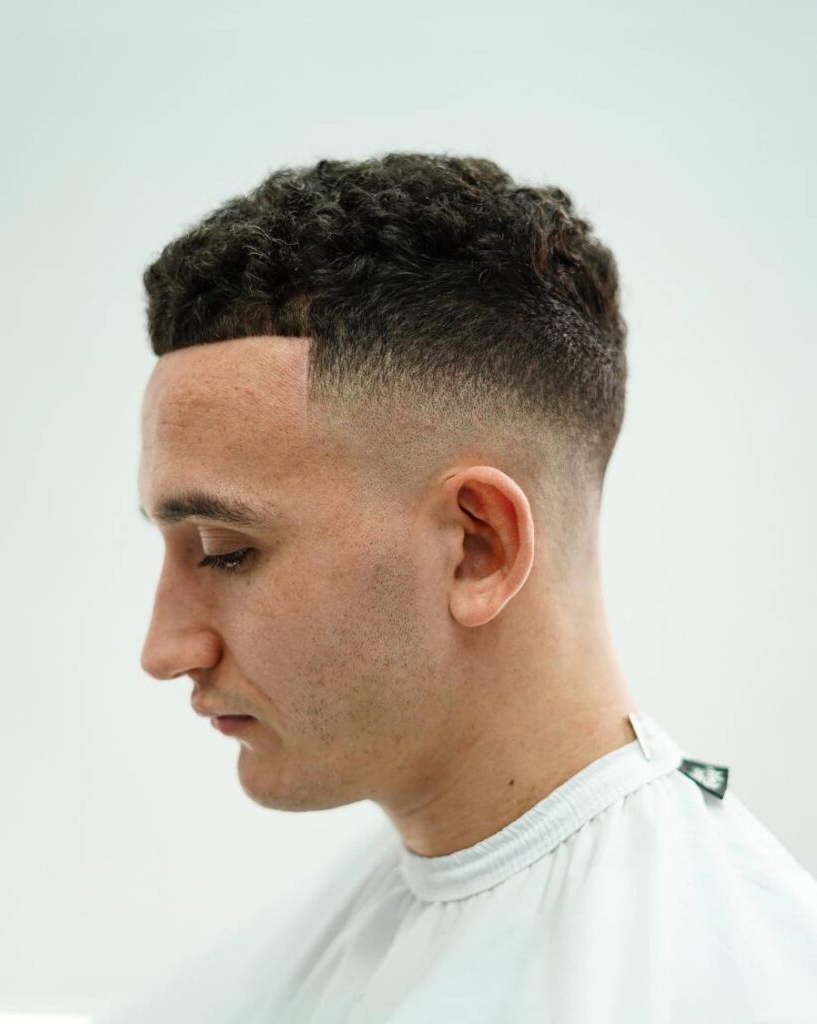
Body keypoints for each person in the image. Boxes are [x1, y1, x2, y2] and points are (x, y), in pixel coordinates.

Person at [99, 153, 817, 1022]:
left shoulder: (727, 987)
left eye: (224, 550)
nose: (164, 650)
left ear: (477, 548)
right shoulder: (324, 939)